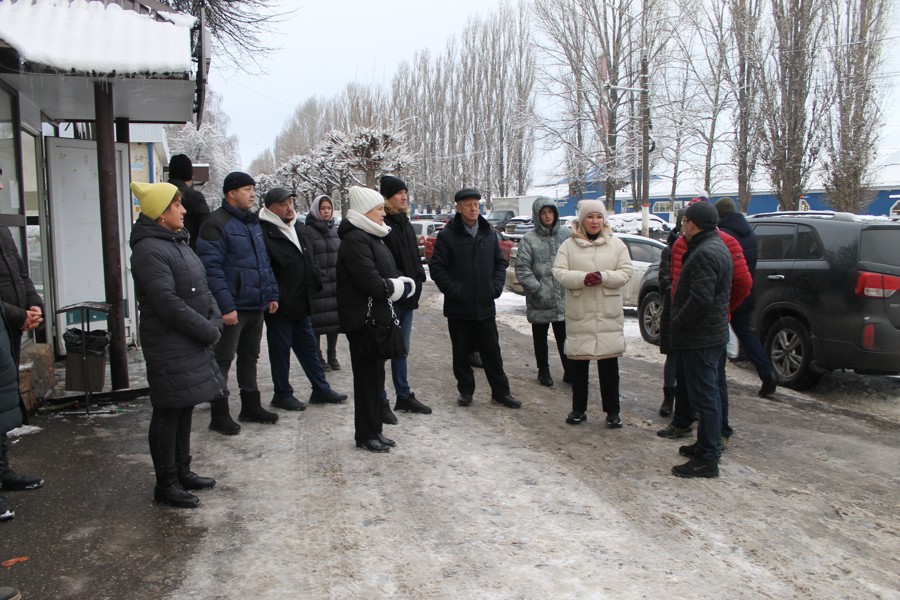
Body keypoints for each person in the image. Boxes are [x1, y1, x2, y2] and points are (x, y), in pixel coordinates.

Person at [129, 182, 223, 508]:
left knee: (185, 405)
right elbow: (167, 303)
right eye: (177, 205)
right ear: (160, 213)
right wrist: (206, 330)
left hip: (189, 339)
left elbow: (202, 286)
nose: (184, 210)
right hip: (170, 342)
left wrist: (213, 318)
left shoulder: (177, 242)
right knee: (168, 410)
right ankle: (166, 482)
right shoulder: (149, 250)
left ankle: (183, 470)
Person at [196, 172, 280, 435]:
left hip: (255, 304)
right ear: (231, 193)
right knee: (222, 358)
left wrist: (272, 294)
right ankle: (219, 413)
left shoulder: (252, 223)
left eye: (253, 189)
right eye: (247, 189)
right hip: (232, 308)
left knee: (250, 356)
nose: (253, 194)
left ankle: (250, 405)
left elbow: (263, 263)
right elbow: (211, 270)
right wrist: (225, 307)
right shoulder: (215, 223)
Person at [336, 186, 417, 452]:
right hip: (362, 322)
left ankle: (374, 430)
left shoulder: (372, 236)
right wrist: (397, 287)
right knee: (366, 380)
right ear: (364, 212)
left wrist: (399, 282)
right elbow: (369, 281)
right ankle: (365, 434)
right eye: (379, 209)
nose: (384, 214)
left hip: (375, 318)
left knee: (375, 378)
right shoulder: (356, 239)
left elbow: (384, 272)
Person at [429, 188, 521, 409]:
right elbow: (437, 268)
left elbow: (500, 262)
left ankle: (501, 392)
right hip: (458, 307)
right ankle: (466, 391)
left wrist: (495, 287)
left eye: (476, 205)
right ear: (458, 207)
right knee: (461, 353)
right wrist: (454, 290)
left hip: (484, 305)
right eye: (468, 205)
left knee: (492, 352)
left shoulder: (488, 233)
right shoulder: (448, 235)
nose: (473, 209)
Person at [258, 188, 347, 411]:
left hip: (303, 301)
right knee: (280, 352)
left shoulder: (297, 227)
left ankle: (321, 389)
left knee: (308, 349)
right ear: (270, 208)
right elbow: (263, 267)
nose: (289, 208)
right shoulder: (263, 230)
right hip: (280, 304)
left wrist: (316, 278)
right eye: (283, 204)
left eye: (291, 203)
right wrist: (273, 293)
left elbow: (309, 257)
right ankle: (282, 394)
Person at [552, 200, 633, 427]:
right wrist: (582, 278)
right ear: (581, 220)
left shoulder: (617, 245)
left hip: (608, 313)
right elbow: (558, 272)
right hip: (581, 311)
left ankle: (613, 412)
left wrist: (604, 277)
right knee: (579, 365)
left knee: (609, 367)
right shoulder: (568, 246)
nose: (595, 221)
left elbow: (626, 272)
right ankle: (578, 409)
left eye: (598, 217)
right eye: (590, 217)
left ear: (604, 220)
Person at [669, 201, 733, 478]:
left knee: (706, 397)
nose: (682, 227)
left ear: (692, 224)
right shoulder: (715, 245)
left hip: (701, 336)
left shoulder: (706, 252)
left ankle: (708, 458)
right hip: (712, 333)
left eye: (684, 223)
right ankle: (705, 444)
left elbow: (701, 300)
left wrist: (678, 323)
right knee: (710, 394)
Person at [0, 165, 44, 520]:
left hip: (9, 328)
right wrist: (18, 315)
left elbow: (19, 271)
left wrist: (34, 305)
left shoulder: (1, 227)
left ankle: (3, 470)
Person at [379, 175, 431, 420]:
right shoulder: (382, 223)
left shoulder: (406, 223)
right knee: (382, 350)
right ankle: (380, 400)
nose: (404, 196)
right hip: (389, 297)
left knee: (402, 349)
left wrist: (418, 275)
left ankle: (403, 395)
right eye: (399, 193)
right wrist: (401, 281)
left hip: (408, 296)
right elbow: (383, 262)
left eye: (405, 192)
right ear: (388, 197)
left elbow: (413, 256)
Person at [715, 197, 777, 397]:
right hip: (747, 291)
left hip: (726, 293)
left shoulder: (723, 235)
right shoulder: (749, 233)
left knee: (717, 336)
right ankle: (767, 374)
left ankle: (716, 380)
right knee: (747, 335)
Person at [515, 197, 571, 387]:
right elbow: (522, 269)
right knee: (540, 338)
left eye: (550, 212)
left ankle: (569, 370)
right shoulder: (529, 240)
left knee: (565, 337)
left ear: (556, 213)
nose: (547, 216)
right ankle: (543, 370)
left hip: (564, 298)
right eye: (543, 213)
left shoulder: (566, 235)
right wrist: (537, 288)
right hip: (540, 299)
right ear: (537, 216)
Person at [305, 195, 342, 373]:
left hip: (336, 283)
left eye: (329, 208)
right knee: (318, 323)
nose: (326, 211)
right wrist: (318, 276)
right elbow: (309, 258)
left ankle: (332, 354)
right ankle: (318, 355)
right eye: (323, 208)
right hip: (319, 284)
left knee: (334, 322)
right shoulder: (308, 231)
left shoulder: (335, 229)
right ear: (315, 210)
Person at [167, 154, 210, 249]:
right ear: (189, 177)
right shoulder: (195, 197)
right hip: (189, 251)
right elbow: (207, 230)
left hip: (163, 250)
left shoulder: (160, 194)